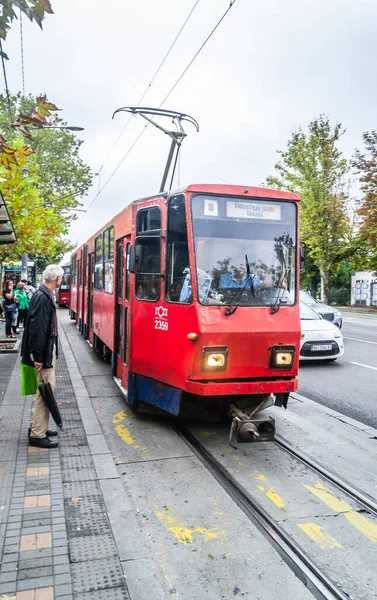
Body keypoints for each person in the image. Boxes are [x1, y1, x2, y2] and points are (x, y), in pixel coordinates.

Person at [21, 265, 64, 449]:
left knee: (43, 391)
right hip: (42, 355)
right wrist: (38, 357)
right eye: (61, 278)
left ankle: (39, 428)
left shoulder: (43, 295)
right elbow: (38, 331)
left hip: (43, 352)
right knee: (44, 391)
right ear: (57, 279)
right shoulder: (43, 298)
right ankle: (38, 434)